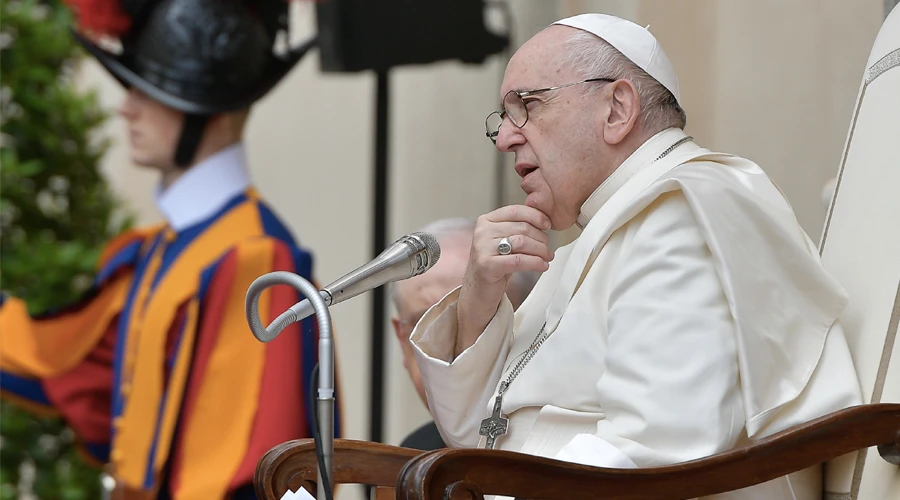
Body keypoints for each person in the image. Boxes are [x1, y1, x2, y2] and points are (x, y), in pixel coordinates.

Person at [408, 13, 862, 499]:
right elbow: (477, 432)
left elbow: (652, 451)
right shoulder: (601, 233)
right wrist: (478, 298)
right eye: (504, 115)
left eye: (529, 105)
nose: (505, 137)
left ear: (617, 109)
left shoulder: (681, 216)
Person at [0, 0, 339, 498]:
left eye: (150, 90)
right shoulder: (160, 249)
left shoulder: (254, 261)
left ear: (208, 110)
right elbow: (71, 370)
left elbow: (249, 473)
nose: (126, 106)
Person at [389, 218, 538, 451]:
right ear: (402, 339)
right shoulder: (411, 455)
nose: (458, 350)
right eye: (426, 328)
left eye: (484, 323)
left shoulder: (564, 445)